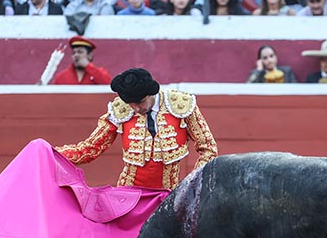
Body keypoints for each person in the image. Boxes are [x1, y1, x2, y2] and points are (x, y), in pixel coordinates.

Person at [56, 68, 218, 190]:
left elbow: (208, 148)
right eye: (130, 104)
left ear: (151, 93)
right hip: (128, 193)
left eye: (140, 102)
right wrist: (51, 154)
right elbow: (90, 148)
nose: (135, 109)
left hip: (168, 193)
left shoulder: (181, 106)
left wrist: (191, 185)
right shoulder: (120, 110)